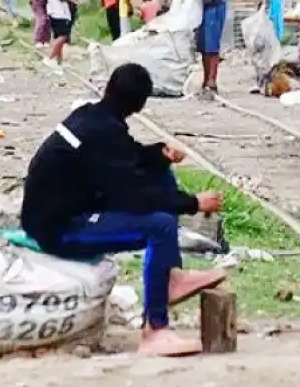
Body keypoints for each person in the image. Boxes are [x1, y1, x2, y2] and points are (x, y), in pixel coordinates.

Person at [20, 63, 226, 357]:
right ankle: (155, 329)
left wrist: (158, 153)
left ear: (109, 88)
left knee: (160, 175)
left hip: (69, 206)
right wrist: (193, 203)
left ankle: (171, 276)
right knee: (160, 225)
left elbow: (124, 157)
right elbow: (134, 195)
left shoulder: (93, 117)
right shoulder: (104, 131)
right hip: (60, 228)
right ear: (140, 104)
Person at [43, 0, 73, 73]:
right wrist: (72, 0)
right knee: (63, 36)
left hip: (54, 10)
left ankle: (59, 61)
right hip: (60, 11)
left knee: (58, 35)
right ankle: (50, 58)